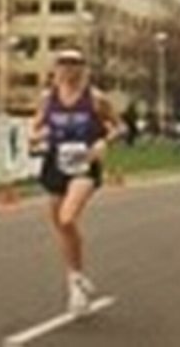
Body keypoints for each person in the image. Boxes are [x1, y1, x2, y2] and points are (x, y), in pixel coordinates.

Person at [29, 48, 121, 316]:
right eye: (63, 63)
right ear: (55, 68)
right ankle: (76, 278)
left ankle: (75, 283)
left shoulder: (95, 99)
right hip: (55, 164)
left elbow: (119, 127)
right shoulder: (48, 99)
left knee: (68, 219)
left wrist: (104, 141)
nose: (68, 68)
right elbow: (35, 128)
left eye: (74, 63)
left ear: (83, 68)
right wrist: (37, 135)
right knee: (61, 227)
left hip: (84, 164)